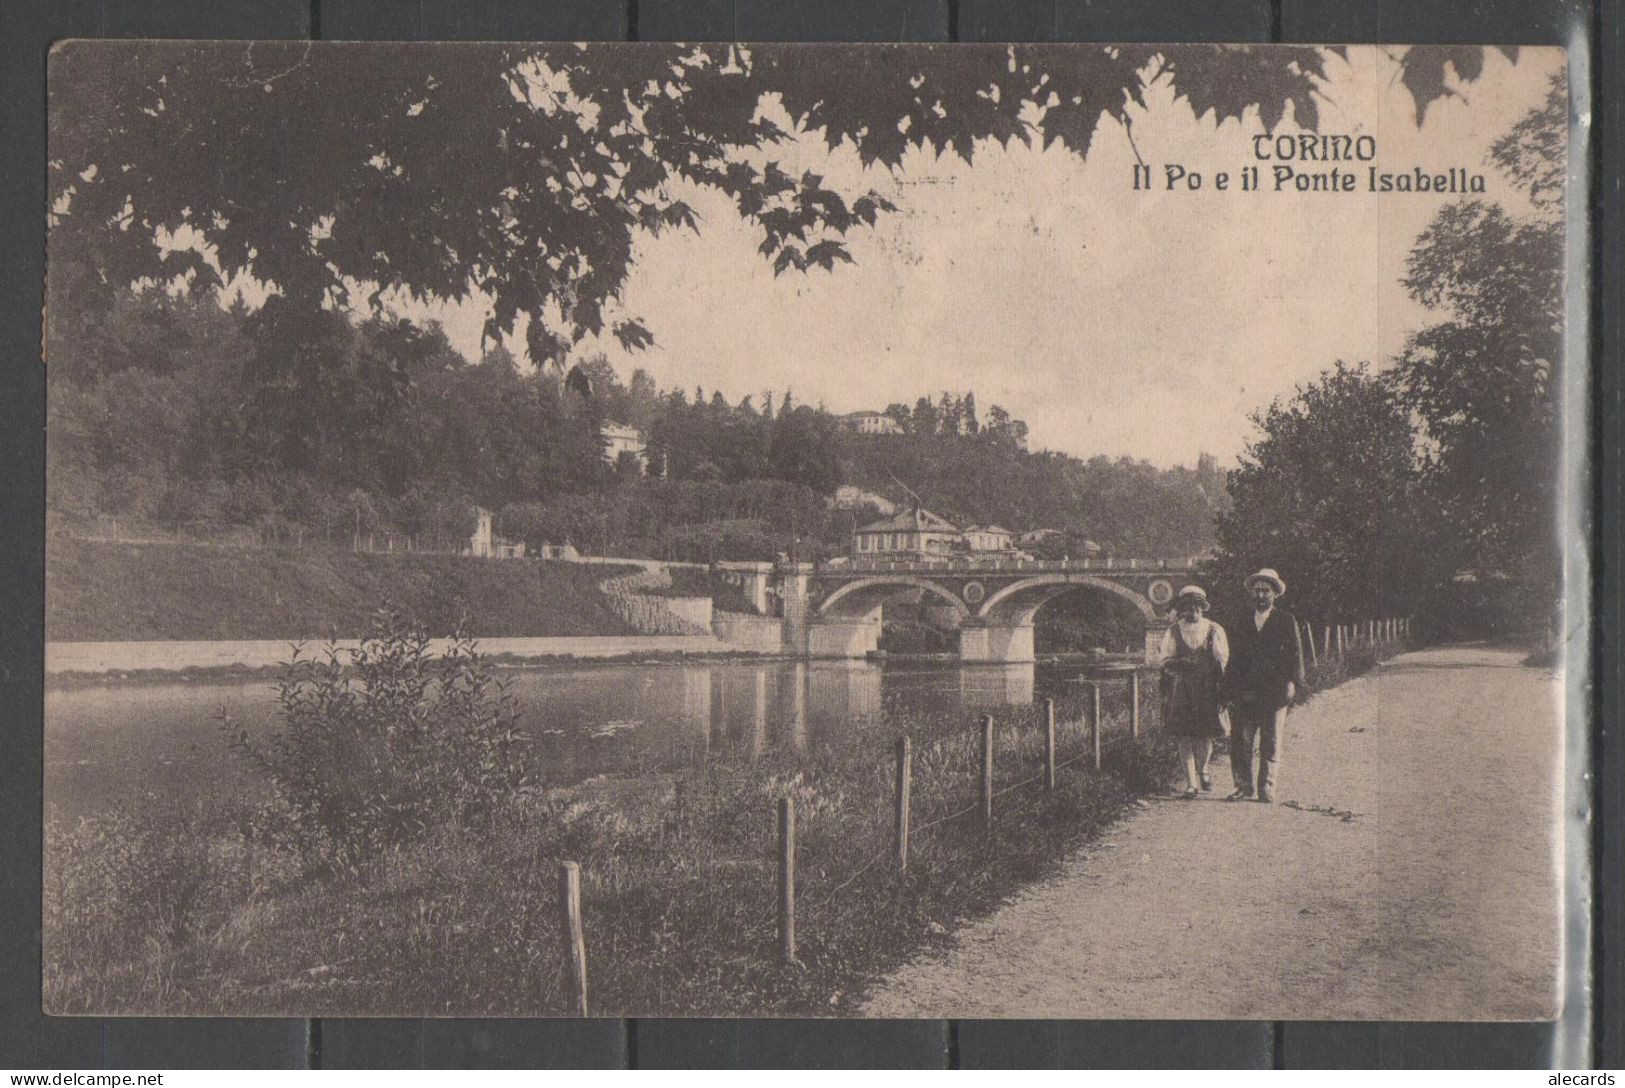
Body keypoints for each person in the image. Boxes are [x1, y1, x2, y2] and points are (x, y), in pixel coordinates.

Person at [1224, 568, 1305, 803]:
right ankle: (1242, 786)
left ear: (1275, 595)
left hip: (1274, 692)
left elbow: (1295, 654)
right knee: (1241, 741)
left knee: (1271, 742)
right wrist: (1229, 689)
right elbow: (1234, 658)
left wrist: (1292, 682)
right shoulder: (1242, 621)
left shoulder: (1285, 620)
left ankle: (1267, 787)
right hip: (1245, 692)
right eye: (1257, 591)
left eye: (1266, 591)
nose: (1261, 595)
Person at [1158, 585, 1228, 799]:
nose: (1192, 613)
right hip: (1182, 689)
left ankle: (1204, 768)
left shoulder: (1214, 629)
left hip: (1207, 689)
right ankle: (1191, 783)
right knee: (1183, 736)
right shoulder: (1173, 631)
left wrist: (1221, 688)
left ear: (1202, 609)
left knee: (1205, 735)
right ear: (1182, 610)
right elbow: (1164, 660)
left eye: (1196, 608)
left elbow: (1222, 660)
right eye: (1188, 609)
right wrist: (1179, 663)